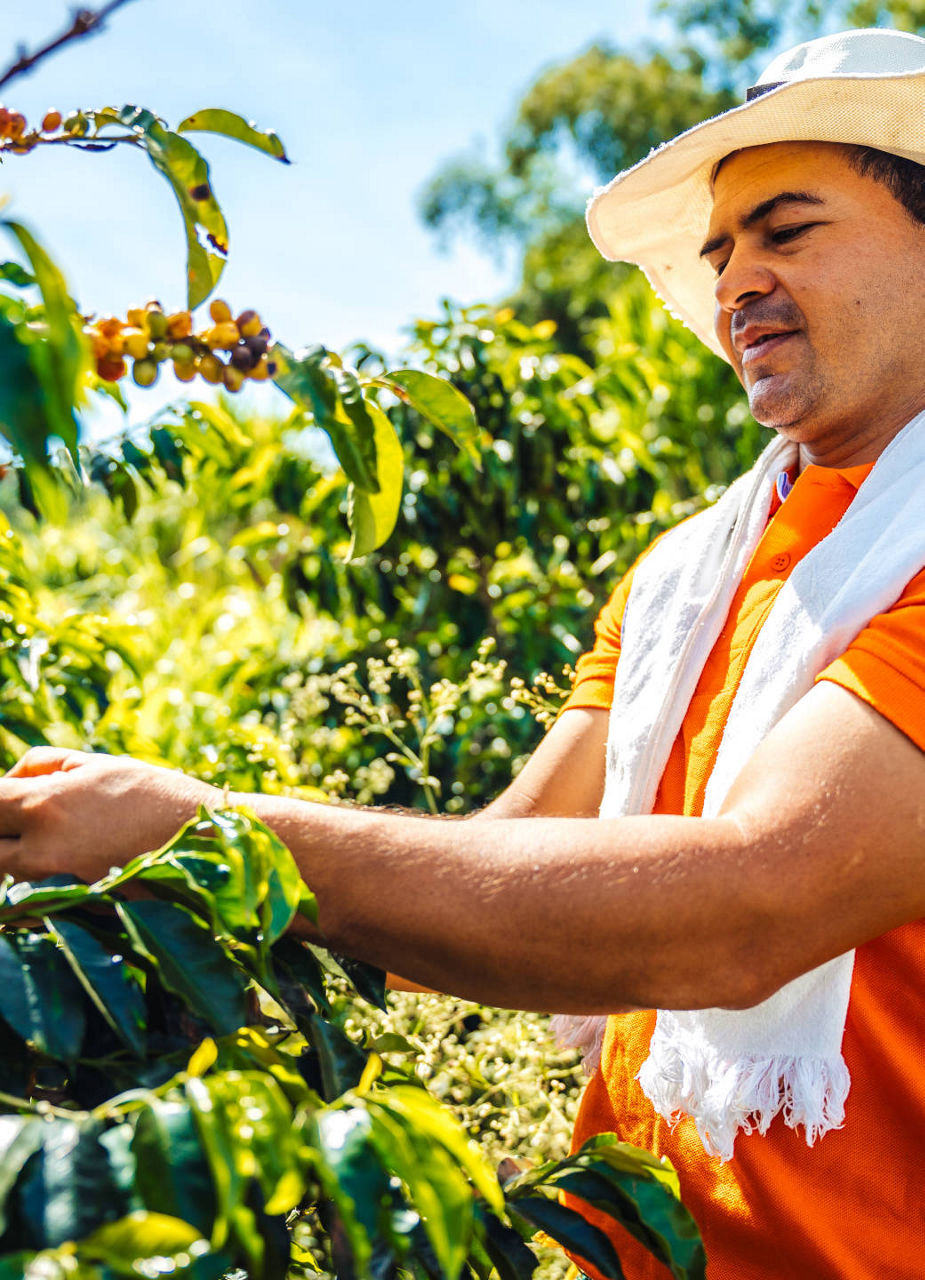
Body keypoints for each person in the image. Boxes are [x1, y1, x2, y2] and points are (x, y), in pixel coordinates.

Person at [2, 24, 925, 1280]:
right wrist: (154, 906)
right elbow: (519, 862)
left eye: (788, 229)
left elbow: (746, 905)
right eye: (720, 252)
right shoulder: (681, 577)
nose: (734, 283)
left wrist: (212, 824)